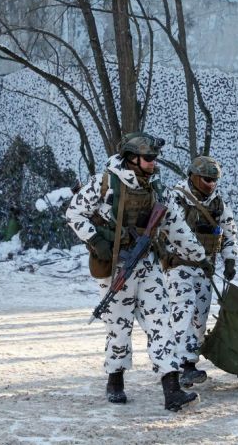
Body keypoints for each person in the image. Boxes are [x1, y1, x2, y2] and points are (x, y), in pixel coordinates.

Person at [64, 131, 200, 412]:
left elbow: (175, 224)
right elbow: (73, 213)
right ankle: (115, 380)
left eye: (154, 158)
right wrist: (98, 241)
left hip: (147, 264)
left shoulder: (157, 189)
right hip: (115, 267)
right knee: (119, 327)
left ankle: (171, 389)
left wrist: (198, 255)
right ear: (132, 158)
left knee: (162, 322)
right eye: (148, 158)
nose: (153, 163)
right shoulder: (105, 183)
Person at [162, 155, 238, 387]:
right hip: (178, 266)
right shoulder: (175, 198)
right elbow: (171, 233)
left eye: (215, 180)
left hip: (205, 269)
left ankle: (190, 362)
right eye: (207, 179)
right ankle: (178, 365)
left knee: (200, 315)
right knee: (183, 311)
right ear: (193, 177)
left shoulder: (218, 204)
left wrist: (230, 260)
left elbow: (229, 232)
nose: (211, 184)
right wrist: (197, 256)